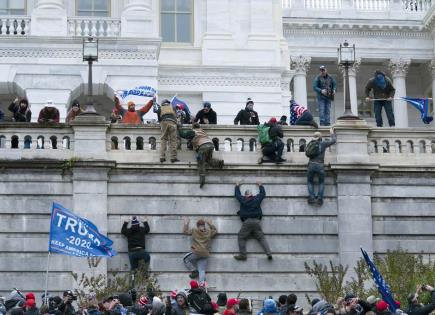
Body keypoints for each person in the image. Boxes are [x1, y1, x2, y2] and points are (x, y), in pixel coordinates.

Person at [233, 181, 272, 261]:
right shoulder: (256, 199)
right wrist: (260, 185)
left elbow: (237, 195)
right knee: (261, 238)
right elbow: (263, 194)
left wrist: (237, 186)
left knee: (241, 237)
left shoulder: (243, 199)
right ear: (251, 194)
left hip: (247, 222)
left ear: (246, 195)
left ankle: (243, 255)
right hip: (257, 222)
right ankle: (269, 253)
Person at [178, 122, 224, 187]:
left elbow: (183, 134)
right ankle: (219, 163)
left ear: (193, 127)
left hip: (203, 147)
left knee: (201, 162)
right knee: (208, 159)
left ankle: (202, 179)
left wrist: (178, 128)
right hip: (210, 145)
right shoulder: (202, 131)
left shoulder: (193, 131)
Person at [306, 129, 336, 206]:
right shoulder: (323, 143)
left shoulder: (310, 143)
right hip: (320, 165)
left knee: (310, 181)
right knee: (321, 182)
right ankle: (319, 199)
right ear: (320, 137)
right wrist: (332, 133)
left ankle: (312, 197)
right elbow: (333, 141)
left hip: (311, 164)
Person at [182, 218, 217, 285]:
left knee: (185, 259)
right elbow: (215, 231)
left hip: (197, 252)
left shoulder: (194, 230)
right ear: (204, 226)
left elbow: (185, 231)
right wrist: (210, 224)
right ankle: (202, 283)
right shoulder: (209, 232)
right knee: (202, 270)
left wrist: (186, 224)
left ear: (197, 226)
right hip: (205, 254)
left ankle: (194, 270)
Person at [154, 99, 179, 163]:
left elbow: (159, 118)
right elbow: (176, 116)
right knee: (173, 140)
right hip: (172, 122)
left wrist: (154, 102)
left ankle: (162, 157)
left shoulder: (160, 108)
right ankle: (173, 157)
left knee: (163, 139)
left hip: (164, 122)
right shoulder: (173, 107)